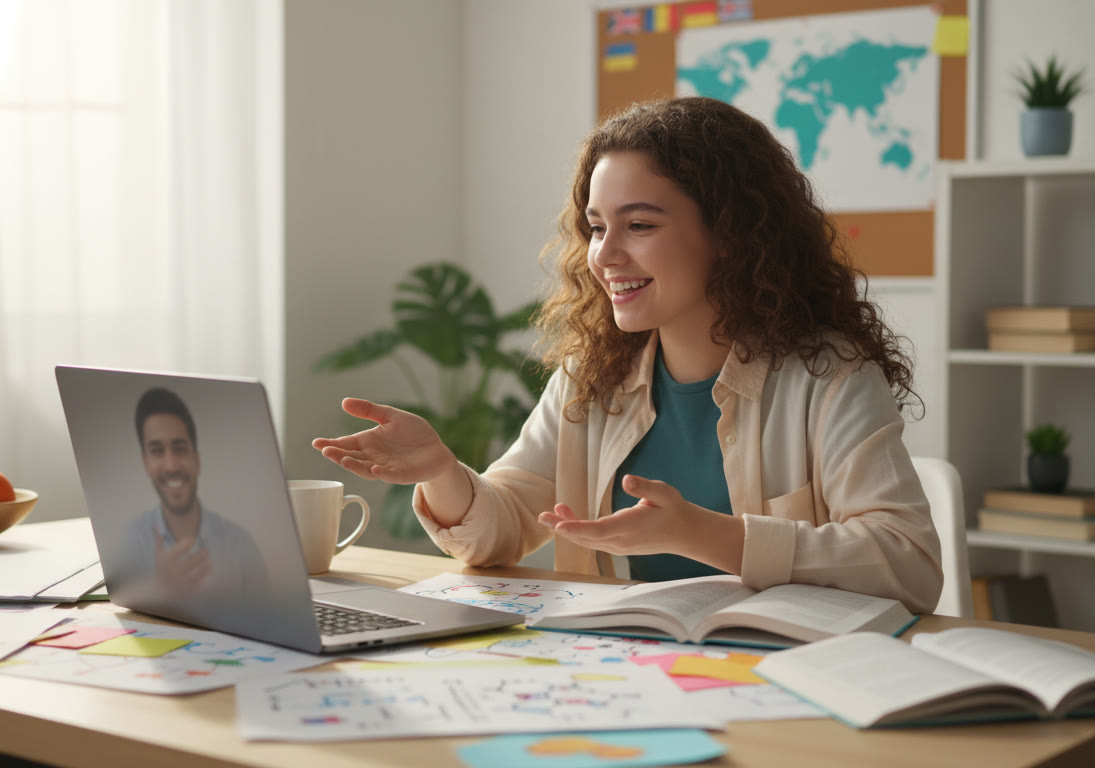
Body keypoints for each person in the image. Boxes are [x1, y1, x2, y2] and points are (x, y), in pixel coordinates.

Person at [313, 97, 943, 613]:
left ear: (729, 235)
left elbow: (908, 563)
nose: (605, 255)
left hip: (787, 676)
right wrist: (442, 472)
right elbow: (500, 530)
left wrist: (704, 533)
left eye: (638, 226)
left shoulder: (828, 375)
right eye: (595, 226)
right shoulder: (592, 375)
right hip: (628, 671)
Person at [118, 387, 267, 598]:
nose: (171, 465)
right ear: (145, 463)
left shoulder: (241, 546)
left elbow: (267, 619)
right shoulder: (132, 542)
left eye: (179, 448)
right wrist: (160, 590)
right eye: (157, 451)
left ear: (197, 459)